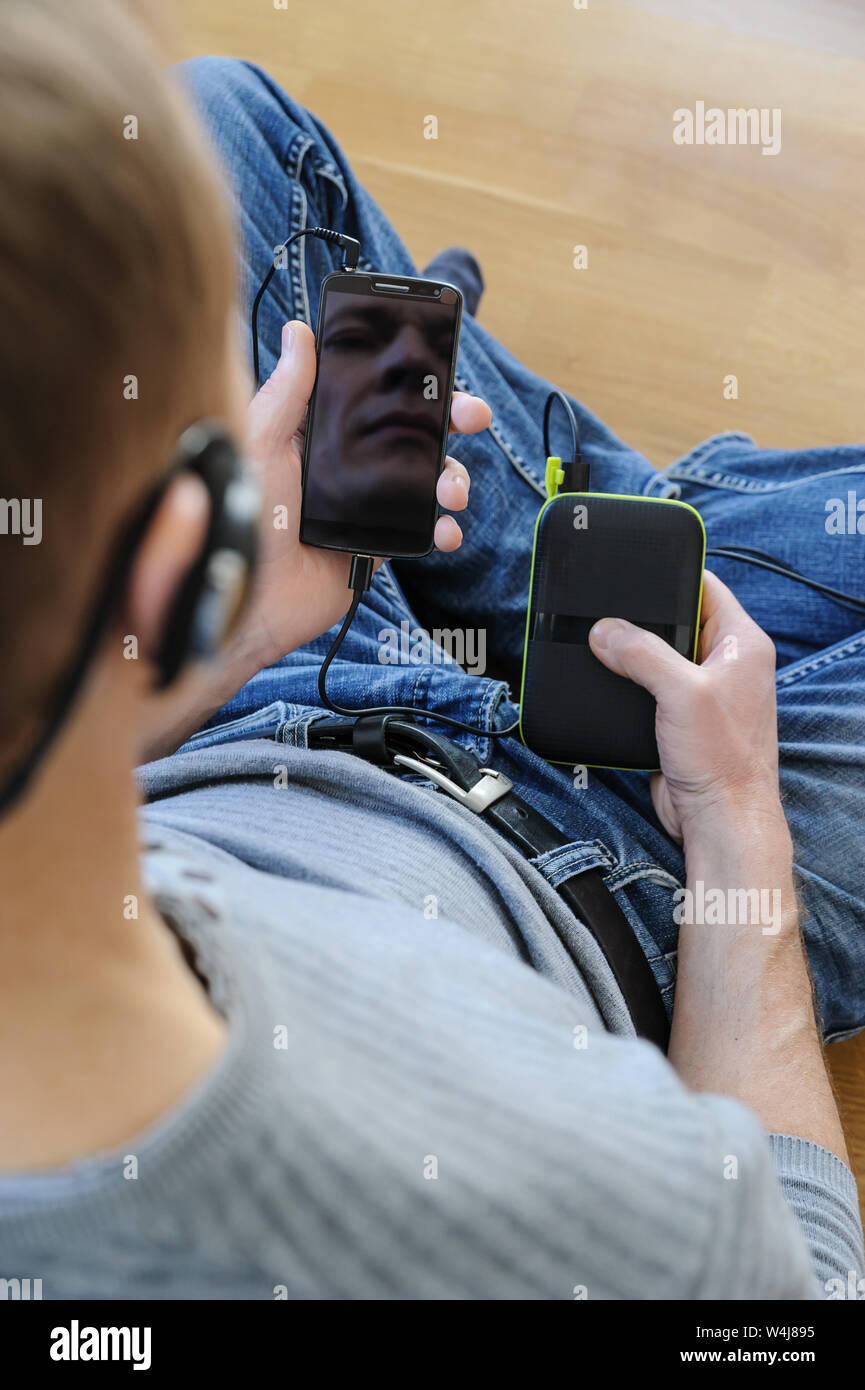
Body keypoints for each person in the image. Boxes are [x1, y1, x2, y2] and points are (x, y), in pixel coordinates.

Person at [0, 0, 862, 1300]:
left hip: (251, 714)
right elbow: (796, 1290)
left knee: (226, 121)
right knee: (355, 312)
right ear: (187, 553)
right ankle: (585, 542)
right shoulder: (574, 1188)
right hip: (645, 880)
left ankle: (569, 545)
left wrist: (203, 660)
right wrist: (736, 813)